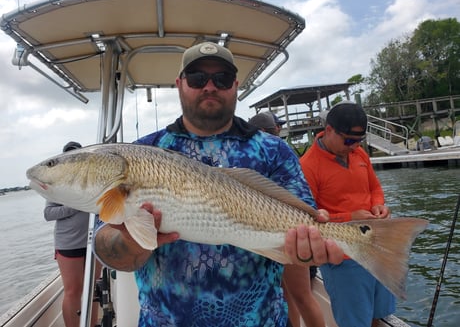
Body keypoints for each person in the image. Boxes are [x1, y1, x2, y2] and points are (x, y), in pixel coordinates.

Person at [94, 41, 344, 327]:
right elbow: (105, 247)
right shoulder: (143, 153)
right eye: (198, 78)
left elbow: (303, 231)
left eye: (222, 79)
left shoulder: (275, 151)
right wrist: (129, 241)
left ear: (235, 84)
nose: (209, 86)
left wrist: (308, 249)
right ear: (179, 84)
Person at [299, 102, 396, 327]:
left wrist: (379, 206)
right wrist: (349, 217)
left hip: (376, 246)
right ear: (329, 129)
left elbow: (374, 188)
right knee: (354, 320)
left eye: (358, 141)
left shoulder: (359, 154)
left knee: (380, 313)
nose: (353, 147)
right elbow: (307, 219)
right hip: (342, 256)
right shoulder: (307, 166)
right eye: (349, 141)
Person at [249, 111, 325, 327]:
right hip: (273, 233)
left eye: (278, 129)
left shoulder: (274, 151)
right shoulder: (277, 151)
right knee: (293, 296)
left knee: (299, 296)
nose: (278, 133)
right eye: (275, 130)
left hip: (284, 231)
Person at [44, 141, 103, 327]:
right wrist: (74, 205)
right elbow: (48, 213)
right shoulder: (57, 186)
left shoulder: (95, 182)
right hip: (68, 244)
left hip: (94, 242)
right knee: (72, 291)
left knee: (92, 289)